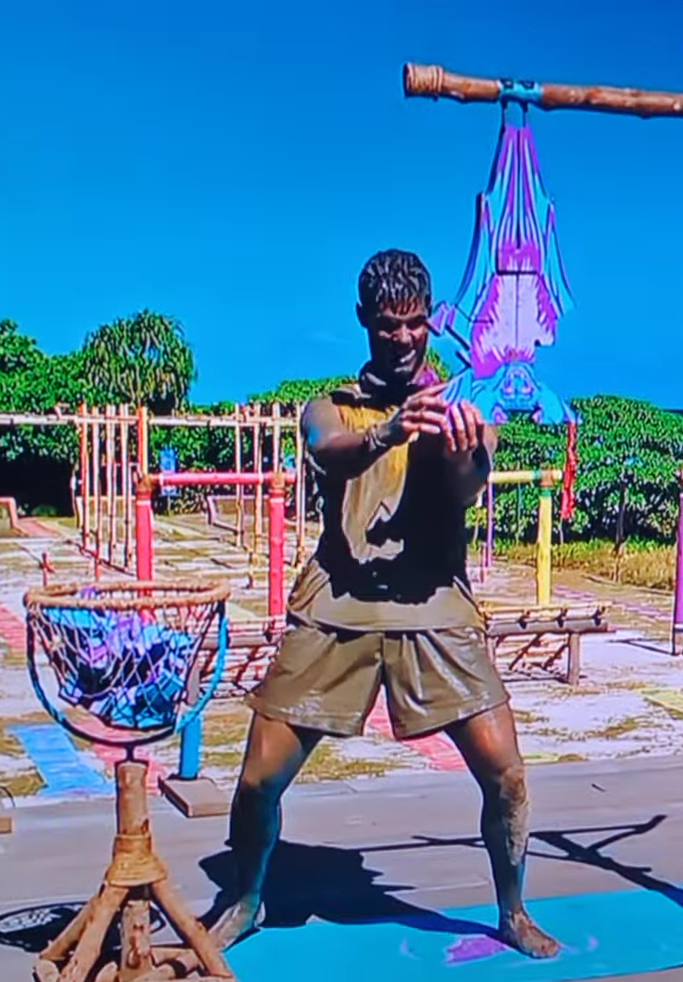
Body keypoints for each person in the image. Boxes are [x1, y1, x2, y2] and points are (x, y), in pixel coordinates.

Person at [203, 248, 560, 958]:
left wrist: (455, 453)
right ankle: (245, 898)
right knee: (256, 780)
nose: (403, 339)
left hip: (435, 608)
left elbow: (467, 487)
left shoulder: (463, 406)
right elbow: (327, 452)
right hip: (336, 605)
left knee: (507, 775)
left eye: (416, 324)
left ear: (431, 322)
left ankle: (512, 910)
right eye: (388, 325)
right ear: (365, 321)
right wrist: (389, 431)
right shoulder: (326, 407)